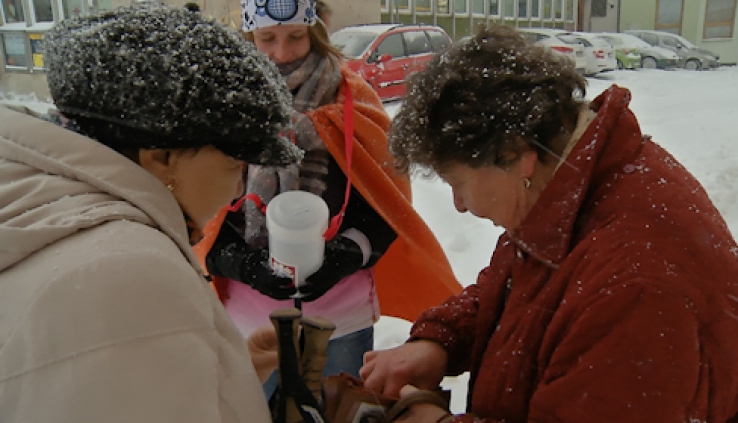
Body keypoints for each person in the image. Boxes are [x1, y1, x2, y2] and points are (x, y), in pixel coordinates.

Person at [360, 25, 738, 422]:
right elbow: (522, 288)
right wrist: (441, 341)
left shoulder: (635, 286)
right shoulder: (568, 184)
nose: (458, 205)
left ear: (514, 154)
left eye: (457, 183)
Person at [0, 4, 301, 422]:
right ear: (161, 158)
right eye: (235, 164)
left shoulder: (34, 202)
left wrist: (227, 368)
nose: (238, 189)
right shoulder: (131, 271)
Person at [194, 0, 461, 393]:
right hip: (249, 318)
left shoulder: (352, 99)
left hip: (340, 315)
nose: (282, 53)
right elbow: (197, 208)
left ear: (315, 32)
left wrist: (349, 253)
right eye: (267, 39)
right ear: (248, 36)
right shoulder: (221, 106)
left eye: (296, 37)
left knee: (340, 409)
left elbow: (386, 200)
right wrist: (240, 262)